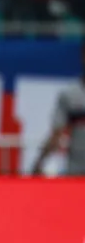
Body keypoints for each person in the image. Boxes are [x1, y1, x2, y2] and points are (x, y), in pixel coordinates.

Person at [31, 43, 85, 176]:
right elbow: (56, 134)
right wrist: (39, 162)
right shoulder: (70, 94)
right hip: (76, 171)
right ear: (82, 56)